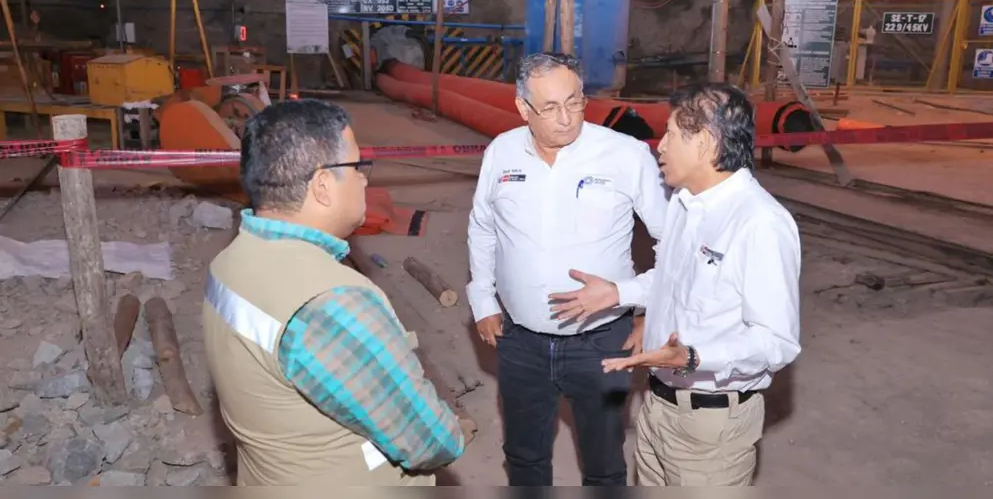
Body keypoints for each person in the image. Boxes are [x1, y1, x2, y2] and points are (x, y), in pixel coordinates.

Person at [202, 99, 465, 486]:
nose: (364, 179)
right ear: (323, 185)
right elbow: (431, 441)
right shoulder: (332, 300)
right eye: (357, 168)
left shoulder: (229, 263)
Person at [581, 82, 801, 486]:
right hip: (658, 405)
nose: (659, 146)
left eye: (669, 134)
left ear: (704, 143)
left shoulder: (759, 223)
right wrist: (617, 293)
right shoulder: (684, 203)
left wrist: (693, 357)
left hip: (712, 429)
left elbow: (776, 342)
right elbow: (671, 281)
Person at [466, 52, 668, 486]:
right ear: (523, 108)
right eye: (550, 107)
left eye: (575, 102)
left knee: (604, 462)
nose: (566, 118)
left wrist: (644, 305)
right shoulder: (501, 153)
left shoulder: (625, 155)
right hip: (520, 342)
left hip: (600, 343)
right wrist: (482, 298)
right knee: (523, 459)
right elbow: (483, 228)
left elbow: (675, 243)